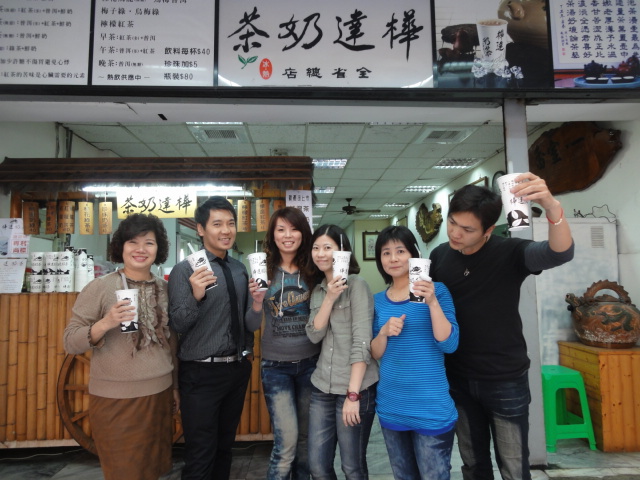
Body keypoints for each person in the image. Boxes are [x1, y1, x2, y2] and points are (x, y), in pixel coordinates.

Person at [429, 173, 574, 480]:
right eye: (452, 223)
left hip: (504, 379)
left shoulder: (511, 252)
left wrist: (551, 206)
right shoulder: (439, 256)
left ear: (488, 230)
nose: (455, 233)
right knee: (473, 465)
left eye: (467, 229)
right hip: (457, 377)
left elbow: (559, 252)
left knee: (513, 467)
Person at [63, 213, 179, 480]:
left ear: (158, 249)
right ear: (121, 247)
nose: (141, 249)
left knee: (154, 469)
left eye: (149, 243)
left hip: (160, 394)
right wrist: (106, 322)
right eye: (133, 242)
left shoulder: (165, 288)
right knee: (123, 472)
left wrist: (174, 387)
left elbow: (171, 342)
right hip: (115, 400)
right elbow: (70, 341)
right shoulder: (100, 287)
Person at [168, 196, 265, 480]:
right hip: (200, 372)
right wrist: (196, 295)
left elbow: (248, 324)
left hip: (236, 369)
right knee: (200, 453)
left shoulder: (238, 269)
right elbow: (178, 323)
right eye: (217, 224)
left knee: (225, 448)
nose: (226, 230)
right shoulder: (185, 269)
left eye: (230, 223)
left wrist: (257, 304)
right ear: (200, 229)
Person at [371, 225, 459, 480]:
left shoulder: (437, 291)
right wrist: (383, 333)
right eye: (386, 253)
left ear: (414, 254)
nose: (393, 258)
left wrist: (432, 302)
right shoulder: (378, 301)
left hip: (431, 407)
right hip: (391, 405)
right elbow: (375, 353)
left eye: (400, 251)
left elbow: (449, 344)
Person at [245, 206, 320, 480]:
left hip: (311, 364)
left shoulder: (314, 270)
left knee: (306, 440)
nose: (288, 235)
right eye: (281, 229)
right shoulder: (262, 270)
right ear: (273, 235)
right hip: (276, 368)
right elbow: (251, 325)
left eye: (294, 229)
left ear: (303, 233)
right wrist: (256, 302)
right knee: (286, 442)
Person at [305, 224, 379, 480]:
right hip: (322, 387)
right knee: (317, 467)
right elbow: (314, 335)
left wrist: (353, 395)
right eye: (316, 248)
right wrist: (329, 297)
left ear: (342, 251)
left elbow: (362, 341)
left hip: (355, 388)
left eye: (328, 247)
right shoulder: (318, 290)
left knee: (352, 467)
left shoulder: (357, 285)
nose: (320, 253)